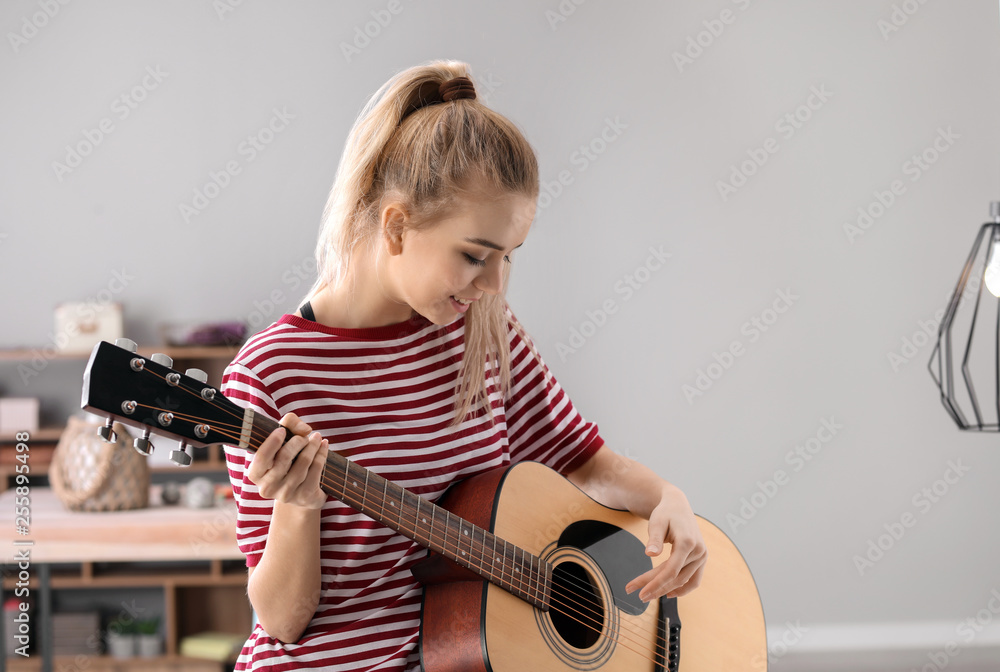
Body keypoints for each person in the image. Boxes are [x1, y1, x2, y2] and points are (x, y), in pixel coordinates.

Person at [221, 60, 707, 672]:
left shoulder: (483, 333)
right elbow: (284, 622)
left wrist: (670, 499)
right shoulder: (270, 373)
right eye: (475, 256)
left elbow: (587, 462)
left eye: (508, 257)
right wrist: (297, 506)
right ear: (396, 226)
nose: (496, 285)